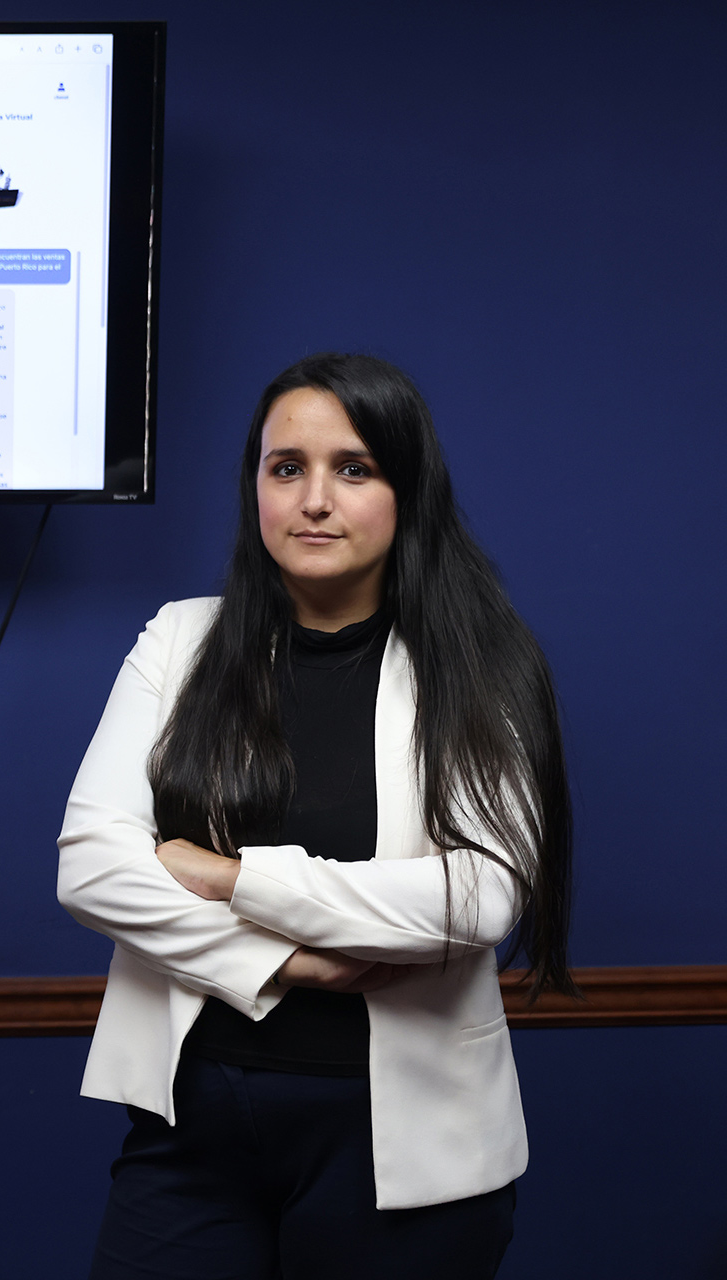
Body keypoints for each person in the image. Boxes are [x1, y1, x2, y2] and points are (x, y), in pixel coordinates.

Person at [56, 353, 574, 1278]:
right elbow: (92, 866)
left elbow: (477, 898)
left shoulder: (477, 662)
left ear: (407, 491)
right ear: (255, 486)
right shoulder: (181, 639)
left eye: (355, 468)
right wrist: (291, 962)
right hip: (188, 1133)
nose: (315, 500)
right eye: (286, 467)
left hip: (407, 1153)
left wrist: (233, 875)